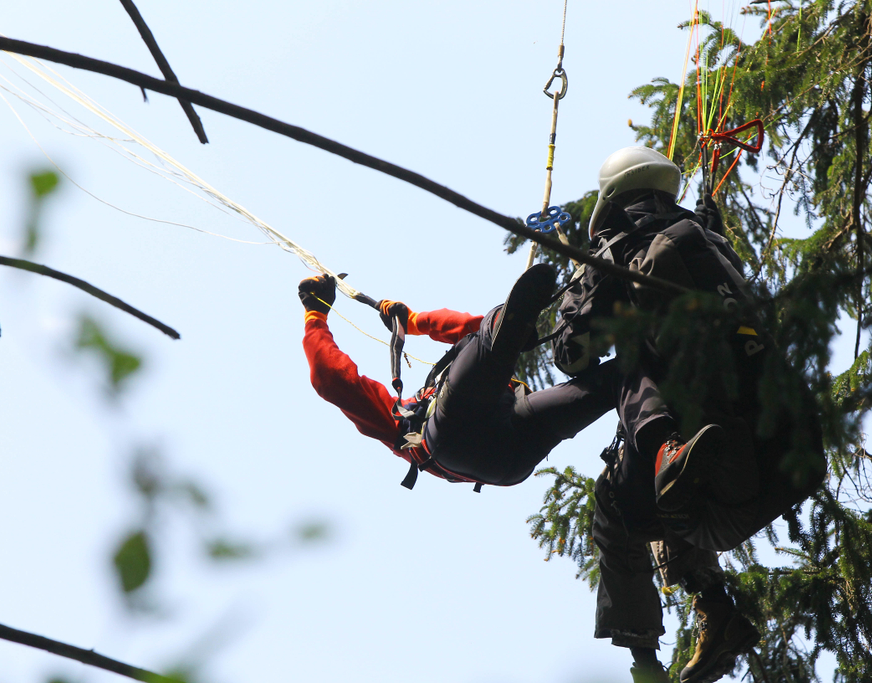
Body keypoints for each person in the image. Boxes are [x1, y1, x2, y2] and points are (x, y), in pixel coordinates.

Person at [552, 146, 826, 683]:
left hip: (722, 469)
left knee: (618, 499)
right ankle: (715, 610)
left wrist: (582, 281)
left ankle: (644, 661)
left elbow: (571, 354)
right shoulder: (709, 241)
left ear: (611, 203)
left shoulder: (617, 251)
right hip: (788, 450)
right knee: (673, 486)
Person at [298, 263, 620, 491]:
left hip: (508, 459)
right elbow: (331, 378)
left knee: (608, 386)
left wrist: (413, 322)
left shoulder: (402, 417)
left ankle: (634, 371)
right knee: (490, 342)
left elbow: (476, 332)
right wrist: (315, 316)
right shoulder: (399, 420)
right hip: (461, 443)